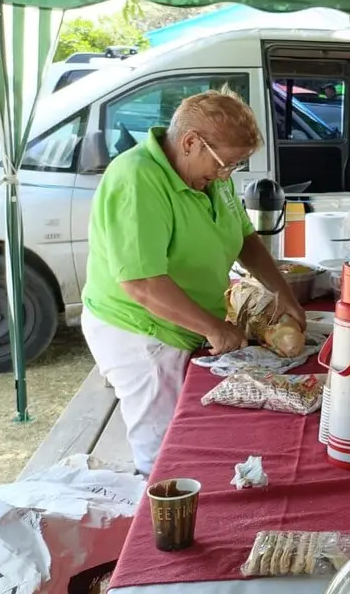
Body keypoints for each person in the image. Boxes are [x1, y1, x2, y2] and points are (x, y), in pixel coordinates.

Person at [81, 89, 304, 475]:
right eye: (224, 165)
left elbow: (245, 240)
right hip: (143, 332)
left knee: (193, 437)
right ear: (189, 143)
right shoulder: (137, 179)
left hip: (187, 326)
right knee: (165, 451)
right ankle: (156, 519)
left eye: (235, 167)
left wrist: (283, 295)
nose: (226, 175)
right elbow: (142, 283)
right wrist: (213, 328)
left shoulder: (211, 177)